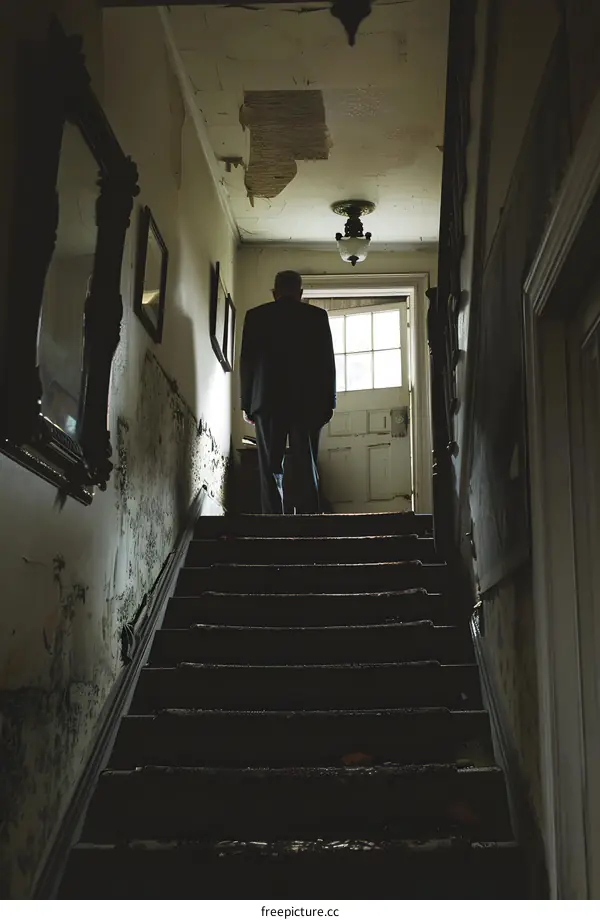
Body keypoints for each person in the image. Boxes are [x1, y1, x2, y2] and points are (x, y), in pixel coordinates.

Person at [240, 270, 336, 514]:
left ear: (275, 292)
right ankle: (310, 521)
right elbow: (327, 362)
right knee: (306, 463)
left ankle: (273, 522)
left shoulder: (256, 317)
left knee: (270, 466)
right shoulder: (316, 317)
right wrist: (329, 403)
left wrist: (247, 403)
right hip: (307, 402)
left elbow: (247, 362)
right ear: (300, 293)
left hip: (267, 400)